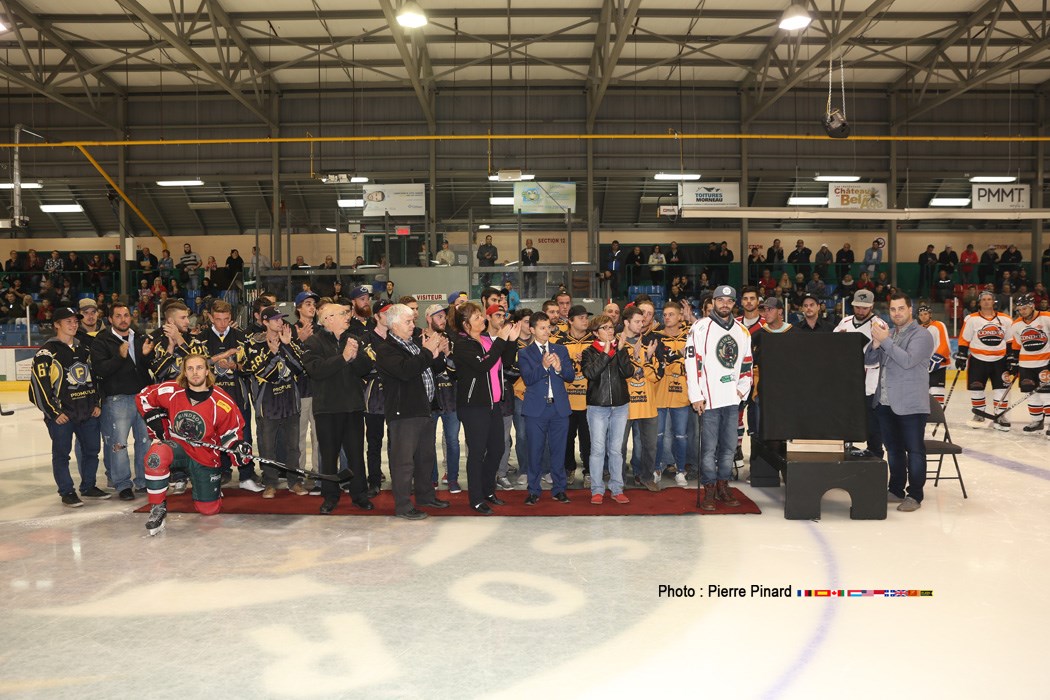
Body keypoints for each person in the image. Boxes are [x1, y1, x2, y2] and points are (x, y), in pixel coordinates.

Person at [136, 355, 249, 534]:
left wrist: (237, 447)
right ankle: (157, 508)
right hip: (177, 447)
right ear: (185, 372)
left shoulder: (222, 401)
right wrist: (155, 419)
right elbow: (143, 397)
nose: (195, 372)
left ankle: (211, 488)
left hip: (205, 455)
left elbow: (232, 433)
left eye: (199, 368)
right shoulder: (172, 390)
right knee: (156, 456)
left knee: (209, 510)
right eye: (190, 368)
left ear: (207, 371)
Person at [374, 304, 450, 520]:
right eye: (408, 322)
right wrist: (427, 352)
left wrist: (439, 354)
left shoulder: (414, 343)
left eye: (412, 321)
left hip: (423, 408)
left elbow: (433, 369)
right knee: (404, 462)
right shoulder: (386, 349)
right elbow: (406, 371)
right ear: (394, 324)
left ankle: (426, 496)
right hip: (403, 413)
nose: (412, 325)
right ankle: (403, 505)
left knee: (425, 458)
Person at [30, 306, 109, 508]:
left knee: (92, 450)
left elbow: (96, 378)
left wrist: (97, 403)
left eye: (75, 321)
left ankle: (88, 486)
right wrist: (54, 412)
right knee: (62, 454)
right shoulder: (46, 352)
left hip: (88, 412)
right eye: (68, 321)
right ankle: (67, 491)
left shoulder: (84, 348)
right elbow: (38, 387)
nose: (74, 325)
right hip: (62, 415)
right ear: (57, 325)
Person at [302, 302, 375, 514]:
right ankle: (330, 496)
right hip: (327, 409)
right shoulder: (313, 342)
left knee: (355, 454)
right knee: (328, 455)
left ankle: (359, 495)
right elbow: (315, 370)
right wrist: (342, 358)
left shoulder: (354, 339)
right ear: (327, 319)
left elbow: (366, 368)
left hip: (352, 407)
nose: (347, 316)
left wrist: (353, 358)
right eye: (342, 313)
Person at [685, 285, 753, 511]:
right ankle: (709, 489)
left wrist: (741, 390)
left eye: (729, 301)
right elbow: (692, 364)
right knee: (709, 448)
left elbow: (747, 365)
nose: (725, 304)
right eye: (720, 300)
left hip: (731, 400)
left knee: (729, 447)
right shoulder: (700, 327)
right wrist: (696, 395)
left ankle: (723, 486)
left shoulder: (742, 331)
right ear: (713, 302)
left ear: (735, 304)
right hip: (709, 399)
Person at [867, 293, 935, 512]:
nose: (896, 313)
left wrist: (884, 340)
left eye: (901, 309)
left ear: (910, 309)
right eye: (893, 309)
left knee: (914, 450)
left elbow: (907, 361)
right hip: (886, 402)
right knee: (894, 450)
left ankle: (915, 495)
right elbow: (869, 361)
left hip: (911, 404)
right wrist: (876, 344)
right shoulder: (891, 334)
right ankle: (896, 489)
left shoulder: (921, 335)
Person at [452, 301, 520, 514]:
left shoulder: (485, 340)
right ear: (465, 324)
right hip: (474, 406)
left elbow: (505, 362)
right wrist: (501, 340)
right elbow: (483, 364)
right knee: (477, 452)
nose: (482, 319)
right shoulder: (462, 344)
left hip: (492, 404)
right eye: (477, 317)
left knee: (498, 448)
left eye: (481, 315)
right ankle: (476, 497)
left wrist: (511, 342)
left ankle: (488, 489)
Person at [90, 301, 157, 500]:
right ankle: (122, 484)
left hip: (143, 396)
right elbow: (100, 370)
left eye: (126, 315)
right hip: (118, 399)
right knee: (119, 443)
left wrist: (146, 355)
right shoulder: (102, 341)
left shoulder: (139, 337)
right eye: (118, 316)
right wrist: (119, 357)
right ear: (110, 319)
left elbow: (146, 366)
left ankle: (144, 481)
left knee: (145, 441)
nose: (123, 319)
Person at [244, 306, 306, 498]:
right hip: (268, 404)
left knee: (293, 447)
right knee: (267, 447)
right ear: (265, 322)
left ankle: (294, 481)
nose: (281, 322)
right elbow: (263, 374)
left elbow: (299, 368)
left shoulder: (290, 341)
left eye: (281, 319)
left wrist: (285, 346)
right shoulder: (253, 345)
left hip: (290, 403)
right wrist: (273, 353)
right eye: (276, 319)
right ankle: (270, 482)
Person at [201, 300, 262, 490]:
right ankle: (219, 472)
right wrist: (220, 358)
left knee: (244, 437)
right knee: (213, 438)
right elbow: (195, 365)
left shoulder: (241, 337)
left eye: (226, 319)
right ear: (210, 317)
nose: (222, 323)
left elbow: (252, 367)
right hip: (211, 399)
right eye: (218, 319)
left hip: (238, 396)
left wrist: (236, 366)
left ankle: (246, 475)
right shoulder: (201, 339)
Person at [519, 311, 576, 505]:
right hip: (536, 410)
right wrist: (543, 367)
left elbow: (570, 376)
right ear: (532, 329)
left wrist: (559, 368)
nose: (546, 331)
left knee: (559, 450)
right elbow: (528, 379)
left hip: (559, 408)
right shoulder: (524, 352)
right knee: (534, 451)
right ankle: (534, 490)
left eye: (548, 327)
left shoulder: (560, 350)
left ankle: (559, 489)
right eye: (542, 328)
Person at [581, 314, 633, 504]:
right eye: (605, 328)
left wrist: (619, 351)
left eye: (611, 327)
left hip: (620, 405)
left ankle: (617, 488)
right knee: (597, 449)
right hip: (597, 407)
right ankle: (597, 489)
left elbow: (628, 372)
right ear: (595, 333)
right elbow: (591, 373)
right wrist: (606, 352)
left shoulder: (621, 349)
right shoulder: (589, 352)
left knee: (617, 450)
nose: (610, 331)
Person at [833, 289, 883, 459]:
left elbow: (878, 359)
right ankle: (845, 451)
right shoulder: (844, 322)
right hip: (847, 383)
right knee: (846, 420)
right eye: (858, 307)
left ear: (872, 306)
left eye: (864, 308)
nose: (861, 311)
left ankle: (876, 455)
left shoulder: (879, 325)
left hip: (870, 384)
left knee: (872, 424)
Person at [956, 289, 1013, 430]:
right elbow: (964, 339)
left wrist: (1012, 357)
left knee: (1000, 389)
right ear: (979, 303)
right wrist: (962, 355)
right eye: (984, 299)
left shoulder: (1006, 319)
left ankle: (1000, 415)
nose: (987, 301)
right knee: (977, 389)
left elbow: (1011, 340)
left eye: (989, 299)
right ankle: (979, 414)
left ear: (993, 302)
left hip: (1000, 360)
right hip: (978, 360)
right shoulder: (972, 319)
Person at [619, 305, 661, 491]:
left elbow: (657, 375)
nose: (641, 324)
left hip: (648, 405)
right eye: (637, 321)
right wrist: (635, 360)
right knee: (618, 447)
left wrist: (646, 359)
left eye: (642, 321)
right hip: (624, 405)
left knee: (650, 446)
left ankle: (646, 476)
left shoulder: (649, 344)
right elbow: (620, 374)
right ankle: (618, 479)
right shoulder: (617, 344)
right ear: (626, 322)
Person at [654, 301, 691, 487]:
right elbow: (657, 360)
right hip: (659, 393)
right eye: (665, 314)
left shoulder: (689, 336)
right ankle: (657, 467)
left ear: (680, 317)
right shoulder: (655, 337)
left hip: (681, 395)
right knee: (658, 435)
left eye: (671, 314)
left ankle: (681, 470)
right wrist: (678, 355)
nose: (667, 317)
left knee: (681, 436)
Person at [425, 304, 461, 492]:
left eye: (444, 316)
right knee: (428, 442)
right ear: (428, 318)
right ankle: (431, 479)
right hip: (430, 400)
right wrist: (433, 352)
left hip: (451, 399)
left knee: (453, 441)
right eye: (438, 316)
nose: (442, 319)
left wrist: (447, 353)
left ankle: (453, 478)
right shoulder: (421, 339)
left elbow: (457, 373)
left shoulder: (453, 339)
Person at [1007, 293, 1050, 434]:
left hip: (1045, 362)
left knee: (1046, 394)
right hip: (1026, 364)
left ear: (1032, 306)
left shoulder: (1046, 317)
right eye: (1019, 309)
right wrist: (1014, 362)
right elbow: (1017, 345)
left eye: (1024, 308)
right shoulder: (1017, 324)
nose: (1022, 311)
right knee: (1031, 393)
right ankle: (1037, 421)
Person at [293, 291, 322, 483]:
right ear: (298, 308)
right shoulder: (289, 330)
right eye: (308, 304)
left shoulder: (322, 330)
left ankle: (320, 473)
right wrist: (298, 341)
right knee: (299, 436)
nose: (312, 307)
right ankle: (298, 474)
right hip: (300, 390)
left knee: (320, 437)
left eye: (314, 304)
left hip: (320, 391)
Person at [917, 303, 952, 407]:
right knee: (923, 391)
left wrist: (936, 359)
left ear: (930, 314)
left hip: (938, 365)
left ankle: (938, 413)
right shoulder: (918, 329)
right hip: (923, 367)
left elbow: (944, 343)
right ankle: (926, 414)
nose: (923, 316)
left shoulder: (939, 325)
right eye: (921, 314)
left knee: (936, 389)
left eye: (926, 313)